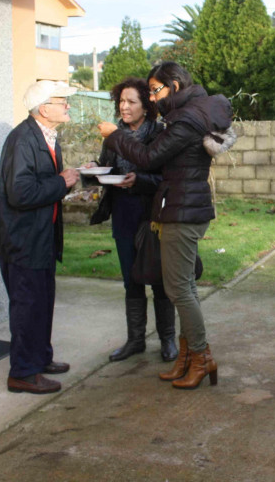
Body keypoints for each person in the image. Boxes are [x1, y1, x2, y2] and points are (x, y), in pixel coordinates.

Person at [97, 61, 235, 390]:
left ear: (173, 86)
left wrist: (115, 136)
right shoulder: (189, 113)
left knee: (178, 290)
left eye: (155, 90)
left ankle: (201, 357)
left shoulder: (186, 119)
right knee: (183, 287)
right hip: (180, 207)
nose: (153, 97)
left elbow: (148, 158)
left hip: (182, 211)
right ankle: (187, 357)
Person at [0, 80, 80, 394]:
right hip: (23, 241)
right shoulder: (23, 139)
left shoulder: (46, 135)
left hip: (40, 238)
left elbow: (45, 184)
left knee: (42, 302)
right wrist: (62, 182)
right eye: (61, 101)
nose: (67, 105)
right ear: (44, 108)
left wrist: (68, 182)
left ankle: (39, 359)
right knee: (28, 307)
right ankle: (23, 373)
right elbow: (21, 192)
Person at [86, 77, 178, 363]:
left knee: (160, 279)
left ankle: (168, 340)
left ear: (145, 106)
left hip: (153, 215)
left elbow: (167, 178)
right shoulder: (114, 135)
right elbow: (107, 167)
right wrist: (94, 169)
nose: (123, 107)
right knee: (131, 280)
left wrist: (139, 180)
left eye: (131, 102)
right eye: (121, 102)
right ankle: (135, 340)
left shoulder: (160, 133)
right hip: (124, 213)